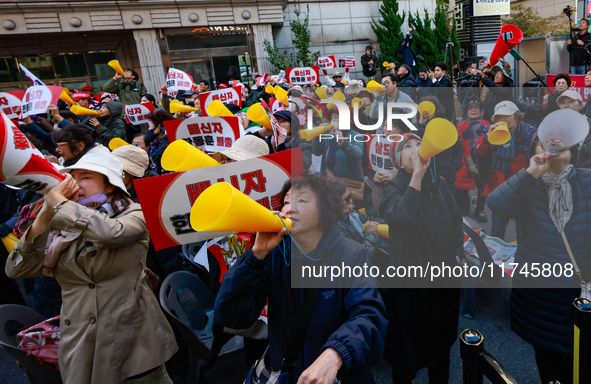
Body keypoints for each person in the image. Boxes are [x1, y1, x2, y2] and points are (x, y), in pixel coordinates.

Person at [5, 152, 178, 383]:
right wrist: (45, 214)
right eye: (71, 177)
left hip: (133, 338)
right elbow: (16, 270)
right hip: (79, 339)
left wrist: (60, 205)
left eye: (85, 177)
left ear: (109, 186)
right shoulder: (60, 221)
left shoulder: (133, 213)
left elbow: (110, 233)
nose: (74, 185)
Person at [215, 174, 388, 383]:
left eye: (302, 200)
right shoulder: (276, 253)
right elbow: (232, 317)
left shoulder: (352, 254)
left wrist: (336, 354)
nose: (290, 208)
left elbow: (369, 316)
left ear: (324, 210)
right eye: (287, 202)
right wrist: (255, 256)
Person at [487, 110, 591, 384]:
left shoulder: (587, 181)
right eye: (545, 143)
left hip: (579, 292)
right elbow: (496, 205)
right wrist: (531, 173)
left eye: (560, 143)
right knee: (549, 363)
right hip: (539, 294)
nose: (552, 147)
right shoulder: (527, 184)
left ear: (574, 149)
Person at [379, 133, 462, 384]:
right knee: (406, 352)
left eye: (419, 144)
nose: (416, 150)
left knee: (441, 345)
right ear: (398, 159)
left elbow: (456, 220)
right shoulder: (393, 187)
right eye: (407, 147)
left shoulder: (441, 183)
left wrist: (455, 255)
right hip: (409, 286)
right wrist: (416, 176)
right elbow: (402, 216)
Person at [473, 101, 537, 239]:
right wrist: (487, 138)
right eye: (499, 117)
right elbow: (477, 153)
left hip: (522, 189)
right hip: (500, 189)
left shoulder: (529, 134)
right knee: (497, 230)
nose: (502, 120)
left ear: (516, 116)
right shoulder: (489, 132)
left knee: (525, 230)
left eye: (506, 116)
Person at [415, 95, 463, 194]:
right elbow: (414, 143)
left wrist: (453, 167)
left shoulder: (446, 125)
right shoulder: (419, 126)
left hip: (446, 174)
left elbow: (459, 148)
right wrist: (420, 125)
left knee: (446, 202)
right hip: (425, 173)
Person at [455, 97, 490, 221]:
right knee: (462, 188)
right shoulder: (461, 126)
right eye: (470, 108)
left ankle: (479, 209)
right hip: (466, 161)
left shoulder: (488, 125)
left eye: (476, 108)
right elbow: (459, 146)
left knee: (483, 187)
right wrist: (465, 160)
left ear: (482, 112)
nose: (473, 110)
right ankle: (464, 210)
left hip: (483, 161)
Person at [145, 110, 176, 175]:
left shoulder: (166, 144)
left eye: (149, 126)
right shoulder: (155, 144)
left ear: (159, 127)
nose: (148, 129)